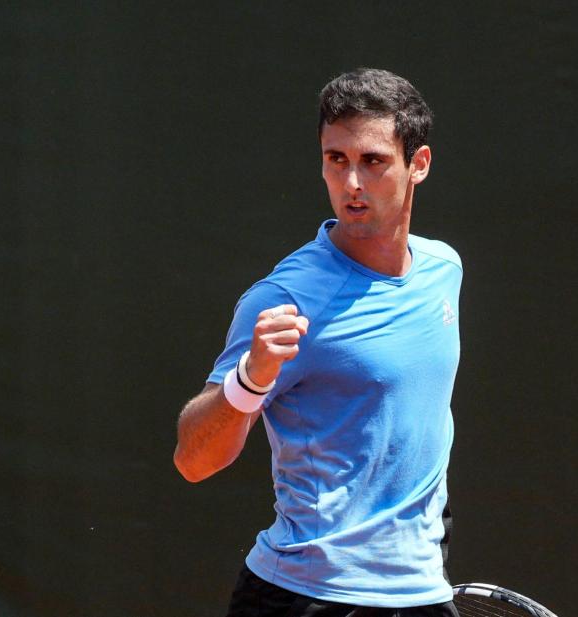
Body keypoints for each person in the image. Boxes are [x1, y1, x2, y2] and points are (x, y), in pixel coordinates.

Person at [173, 68, 462, 617]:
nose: (351, 182)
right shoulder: (283, 300)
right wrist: (249, 380)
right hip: (306, 599)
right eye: (336, 159)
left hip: (422, 595)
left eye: (373, 161)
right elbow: (193, 460)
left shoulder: (444, 271)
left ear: (418, 164)